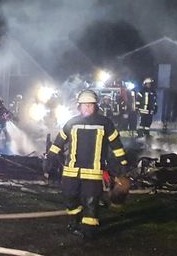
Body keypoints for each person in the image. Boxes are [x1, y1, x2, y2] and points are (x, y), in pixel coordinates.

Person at [46, 89, 130, 238]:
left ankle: (88, 230)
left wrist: (123, 163)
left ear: (95, 106)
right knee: (69, 196)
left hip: (93, 171)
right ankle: (75, 220)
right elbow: (59, 141)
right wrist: (50, 157)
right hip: (72, 170)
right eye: (84, 105)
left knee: (91, 201)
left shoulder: (105, 123)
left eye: (90, 105)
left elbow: (116, 145)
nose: (87, 108)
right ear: (79, 107)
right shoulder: (72, 123)